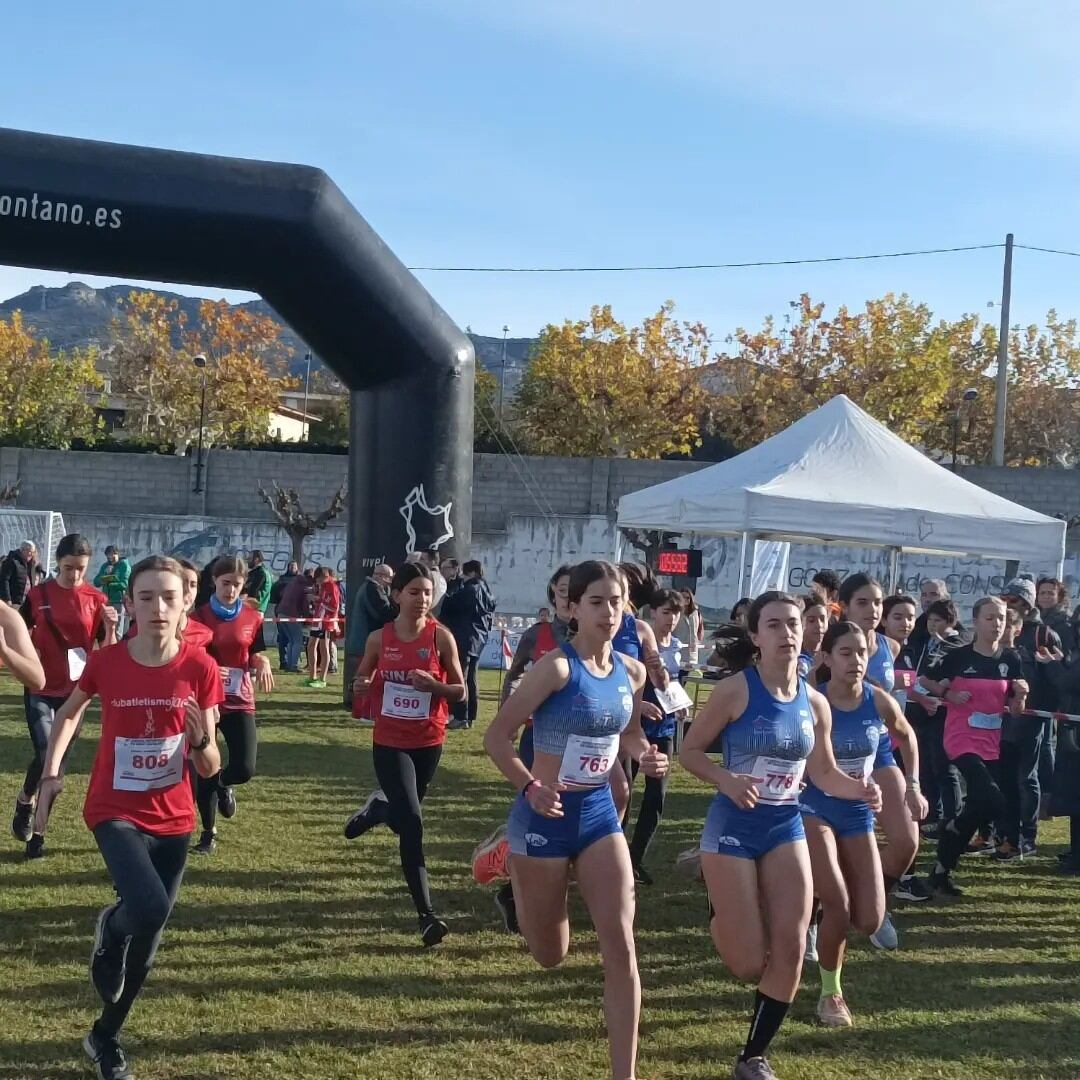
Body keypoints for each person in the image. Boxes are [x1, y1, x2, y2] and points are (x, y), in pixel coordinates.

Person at [35, 556, 223, 1080]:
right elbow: (70, 710)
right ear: (130, 604)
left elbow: (211, 764)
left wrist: (202, 741)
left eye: (169, 597)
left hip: (175, 816)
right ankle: (108, 929)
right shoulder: (108, 662)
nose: (158, 608)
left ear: (186, 600)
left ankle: (104, 1038)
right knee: (146, 906)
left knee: (146, 946)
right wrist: (52, 771)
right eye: (146, 597)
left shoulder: (199, 668)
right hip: (113, 808)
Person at [681, 591, 880, 1080]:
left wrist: (863, 790)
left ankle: (753, 1057)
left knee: (791, 947)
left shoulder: (815, 703)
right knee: (749, 963)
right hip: (734, 826)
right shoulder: (735, 691)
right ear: (755, 636)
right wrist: (726, 778)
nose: (787, 632)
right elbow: (690, 751)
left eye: (793, 623)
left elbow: (826, 774)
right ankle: (718, 897)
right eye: (773, 625)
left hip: (786, 824)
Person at [484, 559, 666, 1080]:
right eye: (596, 602)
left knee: (621, 945)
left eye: (617, 602)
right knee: (550, 954)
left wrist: (646, 753)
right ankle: (505, 856)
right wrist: (530, 786)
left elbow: (627, 736)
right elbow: (496, 737)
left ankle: (622, 1074)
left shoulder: (631, 671)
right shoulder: (557, 669)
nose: (608, 612)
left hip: (598, 816)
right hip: (544, 814)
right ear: (573, 608)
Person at [344, 563, 465, 945]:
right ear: (397, 595)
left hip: (429, 740)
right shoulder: (381, 639)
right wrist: (362, 685)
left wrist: (435, 685)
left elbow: (461, 691)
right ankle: (426, 915)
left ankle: (380, 809)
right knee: (412, 821)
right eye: (413, 592)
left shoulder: (441, 638)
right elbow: (361, 681)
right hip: (390, 740)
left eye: (427, 593)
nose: (422, 599)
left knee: (401, 818)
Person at [802, 621, 910, 1027]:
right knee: (840, 906)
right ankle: (831, 995)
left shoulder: (878, 700)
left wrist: (912, 784)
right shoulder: (812, 702)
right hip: (813, 807)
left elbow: (907, 735)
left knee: (868, 919)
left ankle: (801, 897)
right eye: (846, 652)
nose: (856, 660)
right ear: (827, 657)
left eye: (862, 651)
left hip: (856, 812)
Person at [477, 564, 574, 933]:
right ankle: (516, 889)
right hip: (540, 737)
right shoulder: (538, 635)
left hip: (581, 744)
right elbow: (515, 675)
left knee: (571, 820)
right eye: (562, 590)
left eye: (574, 591)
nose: (568, 598)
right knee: (540, 815)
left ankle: (522, 888)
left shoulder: (594, 637)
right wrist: (510, 719)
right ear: (553, 593)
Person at [13, 533, 118, 858]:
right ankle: (25, 801)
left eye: (80, 569)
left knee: (56, 767)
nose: (74, 575)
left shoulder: (95, 598)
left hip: (76, 693)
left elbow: (108, 651)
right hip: (40, 687)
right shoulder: (39, 594)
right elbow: (20, 631)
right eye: (69, 567)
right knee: (46, 754)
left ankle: (38, 833)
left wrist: (111, 627)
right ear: (58, 562)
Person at [838, 575, 927, 949]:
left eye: (877, 603)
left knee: (907, 842)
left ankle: (876, 903)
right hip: (834, 755)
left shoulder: (889, 646)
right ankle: (818, 914)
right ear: (844, 605)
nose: (872, 610)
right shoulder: (832, 642)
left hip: (879, 752)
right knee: (837, 847)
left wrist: (915, 784)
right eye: (862, 602)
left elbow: (899, 719)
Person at [923, 597, 1028, 895]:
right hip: (960, 738)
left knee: (979, 805)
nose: (996, 625)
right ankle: (954, 835)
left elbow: (1016, 710)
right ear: (976, 622)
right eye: (990, 618)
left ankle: (942, 868)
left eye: (1001, 619)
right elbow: (925, 681)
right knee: (992, 800)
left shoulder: (1011, 659)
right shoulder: (959, 656)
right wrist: (948, 694)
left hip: (990, 741)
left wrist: (1020, 695)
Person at [190, 555, 274, 854]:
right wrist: (210, 667)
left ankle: (224, 784)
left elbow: (252, 652)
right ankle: (208, 833)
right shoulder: (197, 617)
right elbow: (187, 655)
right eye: (226, 584)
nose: (230, 590)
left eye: (236, 585)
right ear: (214, 581)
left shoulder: (253, 617)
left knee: (245, 767)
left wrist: (260, 660)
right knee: (204, 769)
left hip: (239, 699)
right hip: (205, 701)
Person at [997, 576, 1061, 858]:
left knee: (1027, 776)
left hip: (1033, 716)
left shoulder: (1042, 632)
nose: (1008, 604)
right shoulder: (997, 626)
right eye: (1005, 598)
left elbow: (1057, 675)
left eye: (1013, 599)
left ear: (1026, 602)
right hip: (1002, 715)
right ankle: (1005, 834)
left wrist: (1040, 709)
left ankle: (1028, 836)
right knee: (1005, 777)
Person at [628, 588, 684, 884]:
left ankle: (635, 859)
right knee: (623, 792)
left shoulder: (676, 645)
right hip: (633, 729)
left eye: (676, 613)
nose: (672, 619)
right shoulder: (638, 640)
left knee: (656, 797)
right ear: (652, 613)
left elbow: (669, 683)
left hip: (664, 728)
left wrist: (679, 702)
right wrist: (640, 705)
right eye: (666, 612)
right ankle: (614, 858)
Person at [906, 598, 964, 834]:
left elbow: (939, 673)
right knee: (928, 766)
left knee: (945, 768)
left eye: (937, 620)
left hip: (944, 712)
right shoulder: (928, 641)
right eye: (929, 619)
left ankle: (954, 818)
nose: (931, 624)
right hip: (922, 711)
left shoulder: (956, 643)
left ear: (950, 622)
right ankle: (933, 815)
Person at [441, 559, 497, 730]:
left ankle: (460, 715)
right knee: (471, 678)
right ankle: (470, 715)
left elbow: (449, 605)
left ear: (471, 573)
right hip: (478, 638)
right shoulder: (487, 591)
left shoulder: (469, 590)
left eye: (464, 574)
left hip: (465, 637)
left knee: (460, 677)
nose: (462, 577)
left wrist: (451, 586)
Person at [306, 566, 341, 688]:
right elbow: (323, 602)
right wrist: (317, 601)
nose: (317, 581)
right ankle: (312, 676)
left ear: (325, 576)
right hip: (318, 620)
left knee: (324, 647)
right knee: (311, 646)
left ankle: (323, 678)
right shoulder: (324, 587)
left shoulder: (333, 587)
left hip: (325, 622)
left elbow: (334, 606)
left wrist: (319, 601)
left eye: (319, 578)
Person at [273, 562, 310, 673]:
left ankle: (289, 664)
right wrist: (307, 618)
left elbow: (281, 593)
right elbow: (305, 604)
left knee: (291, 640)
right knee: (298, 640)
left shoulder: (292, 582)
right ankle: (293, 665)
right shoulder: (304, 586)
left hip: (280, 612)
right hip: (291, 614)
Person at [269, 560, 300, 670]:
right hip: (282, 611)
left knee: (294, 639)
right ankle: (284, 661)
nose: (292, 568)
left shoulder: (299, 580)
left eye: (294, 566)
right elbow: (273, 595)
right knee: (284, 637)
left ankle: (292, 661)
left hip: (295, 612)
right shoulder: (281, 581)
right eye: (291, 566)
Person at [94, 546, 132, 635]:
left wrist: (110, 582)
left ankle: (118, 647)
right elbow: (96, 582)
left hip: (119, 601)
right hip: (106, 601)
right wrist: (105, 574)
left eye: (112, 556)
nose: (110, 559)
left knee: (117, 630)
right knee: (106, 630)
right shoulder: (105, 566)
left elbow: (125, 584)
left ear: (117, 554)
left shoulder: (124, 565)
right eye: (108, 557)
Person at [798, 593, 830, 678]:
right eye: (811, 620)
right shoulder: (793, 655)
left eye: (823, 619)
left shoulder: (833, 653)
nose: (819, 625)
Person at [0, 539, 36, 607]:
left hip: (25, 603)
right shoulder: (12, 561)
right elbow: (4, 580)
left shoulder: (30, 564)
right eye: (29, 551)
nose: (31, 554)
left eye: (32, 552)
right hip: (13, 602)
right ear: (22, 550)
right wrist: (7, 599)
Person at [675, 587, 705, 669]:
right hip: (679, 649)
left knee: (690, 675)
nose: (685, 600)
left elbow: (700, 629)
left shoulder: (696, 613)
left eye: (688, 598)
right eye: (683, 597)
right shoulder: (676, 612)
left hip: (692, 651)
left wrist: (698, 641)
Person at [242, 550, 274, 614]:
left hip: (254, 608)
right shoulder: (266, 572)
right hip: (259, 607)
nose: (248, 560)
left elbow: (253, 590)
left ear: (256, 559)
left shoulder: (260, 573)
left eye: (250, 558)